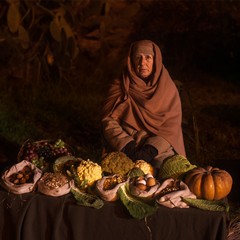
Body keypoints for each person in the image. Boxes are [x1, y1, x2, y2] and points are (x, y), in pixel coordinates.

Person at [101, 40, 185, 173]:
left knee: (166, 176)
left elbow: (171, 128)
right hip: (126, 149)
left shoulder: (168, 89)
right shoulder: (121, 85)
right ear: (131, 60)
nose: (142, 63)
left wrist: (150, 150)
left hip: (158, 150)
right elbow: (108, 121)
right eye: (138, 57)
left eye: (148, 58)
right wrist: (127, 145)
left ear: (156, 60)